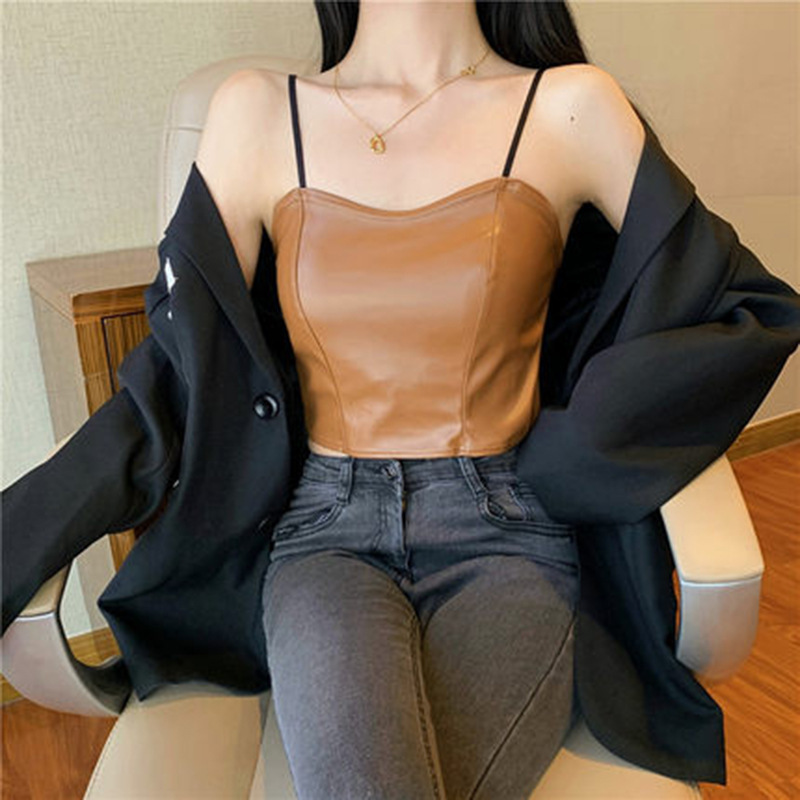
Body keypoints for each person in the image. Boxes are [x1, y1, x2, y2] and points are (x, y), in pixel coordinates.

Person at [191, 2, 663, 799]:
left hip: (504, 532)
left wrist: (578, 442)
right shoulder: (258, 112)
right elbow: (188, 365)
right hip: (328, 533)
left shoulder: (571, 104)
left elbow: (707, 301)